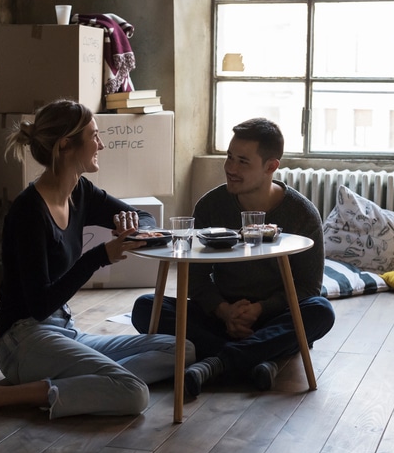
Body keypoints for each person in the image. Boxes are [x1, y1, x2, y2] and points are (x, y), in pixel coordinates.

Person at [0, 99, 194, 418]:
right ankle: (1, 395)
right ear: (67, 145)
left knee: (181, 350)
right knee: (134, 393)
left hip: (64, 329)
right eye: (94, 136)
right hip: (24, 339)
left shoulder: (81, 193)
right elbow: (40, 304)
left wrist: (134, 228)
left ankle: (88, 380)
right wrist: (100, 256)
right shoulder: (28, 212)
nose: (102, 144)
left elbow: (142, 216)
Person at [131, 117, 335, 395]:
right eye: (229, 157)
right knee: (146, 307)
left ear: (271, 166)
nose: (230, 168)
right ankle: (260, 358)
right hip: (221, 315)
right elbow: (196, 277)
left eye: (242, 161)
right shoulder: (211, 205)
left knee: (320, 310)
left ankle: (220, 361)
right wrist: (224, 310)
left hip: (274, 316)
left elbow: (309, 286)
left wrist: (260, 309)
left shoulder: (302, 213)